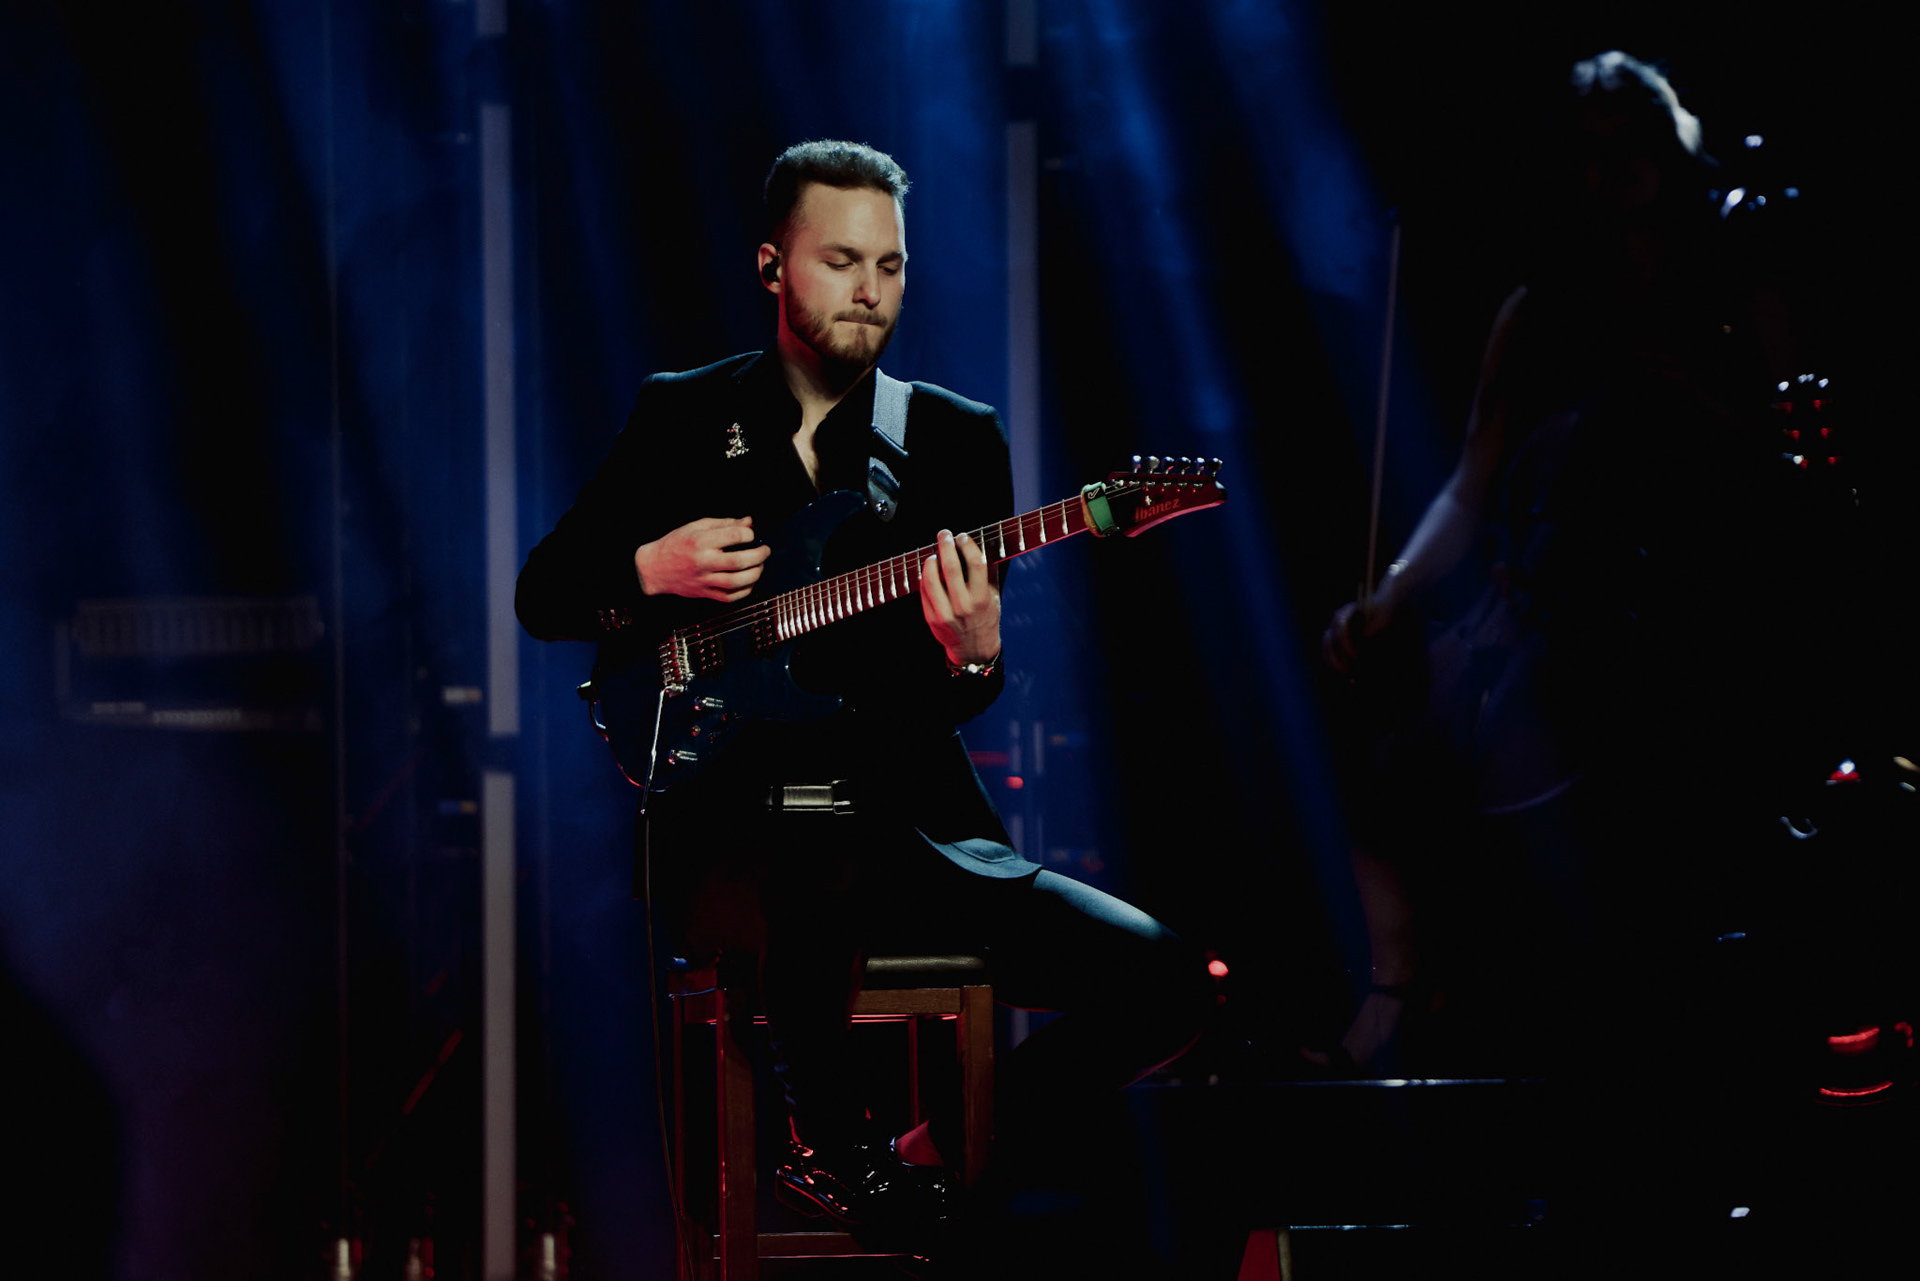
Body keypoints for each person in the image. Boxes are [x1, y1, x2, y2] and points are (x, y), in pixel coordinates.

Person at [516, 140, 1208, 1250]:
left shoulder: (954, 437)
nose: (870, 289)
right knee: (812, 852)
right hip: (730, 833)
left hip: (908, 829)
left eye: (890, 265)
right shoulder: (681, 415)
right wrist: (650, 569)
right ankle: (837, 1149)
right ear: (772, 266)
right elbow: (543, 593)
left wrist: (973, 655)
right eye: (842, 261)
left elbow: (961, 699)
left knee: (1171, 982)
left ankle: (922, 1153)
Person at [1314, 52, 1815, 1074]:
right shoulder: (1543, 306)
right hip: (1543, 612)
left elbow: (1793, 455)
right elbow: (1472, 483)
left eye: (1630, 144)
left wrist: (1702, 399)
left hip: (1696, 611)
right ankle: (1400, 979)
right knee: (1380, 739)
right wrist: (1392, 595)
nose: (1609, 170)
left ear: (1671, 149)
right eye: (1588, 151)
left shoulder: (1737, 285)